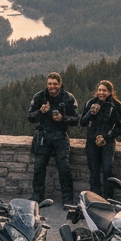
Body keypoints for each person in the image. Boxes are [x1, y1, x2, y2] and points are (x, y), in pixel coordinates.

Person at [27, 72, 79, 204]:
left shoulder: (68, 97)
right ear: (47, 84)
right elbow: (30, 117)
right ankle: (37, 196)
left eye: (55, 84)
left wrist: (63, 119)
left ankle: (67, 200)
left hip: (60, 136)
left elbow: (76, 120)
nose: (52, 86)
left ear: (60, 84)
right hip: (42, 136)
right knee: (39, 167)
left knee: (64, 168)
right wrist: (41, 111)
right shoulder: (39, 96)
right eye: (50, 84)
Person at [79, 81, 121, 198]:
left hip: (107, 142)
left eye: (104, 90)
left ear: (110, 92)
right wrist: (90, 113)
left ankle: (108, 198)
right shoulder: (91, 103)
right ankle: (95, 197)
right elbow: (83, 122)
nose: (101, 93)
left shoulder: (116, 105)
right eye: (99, 90)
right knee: (94, 170)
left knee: (107, 170)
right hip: (91, 142)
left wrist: (106, 137)